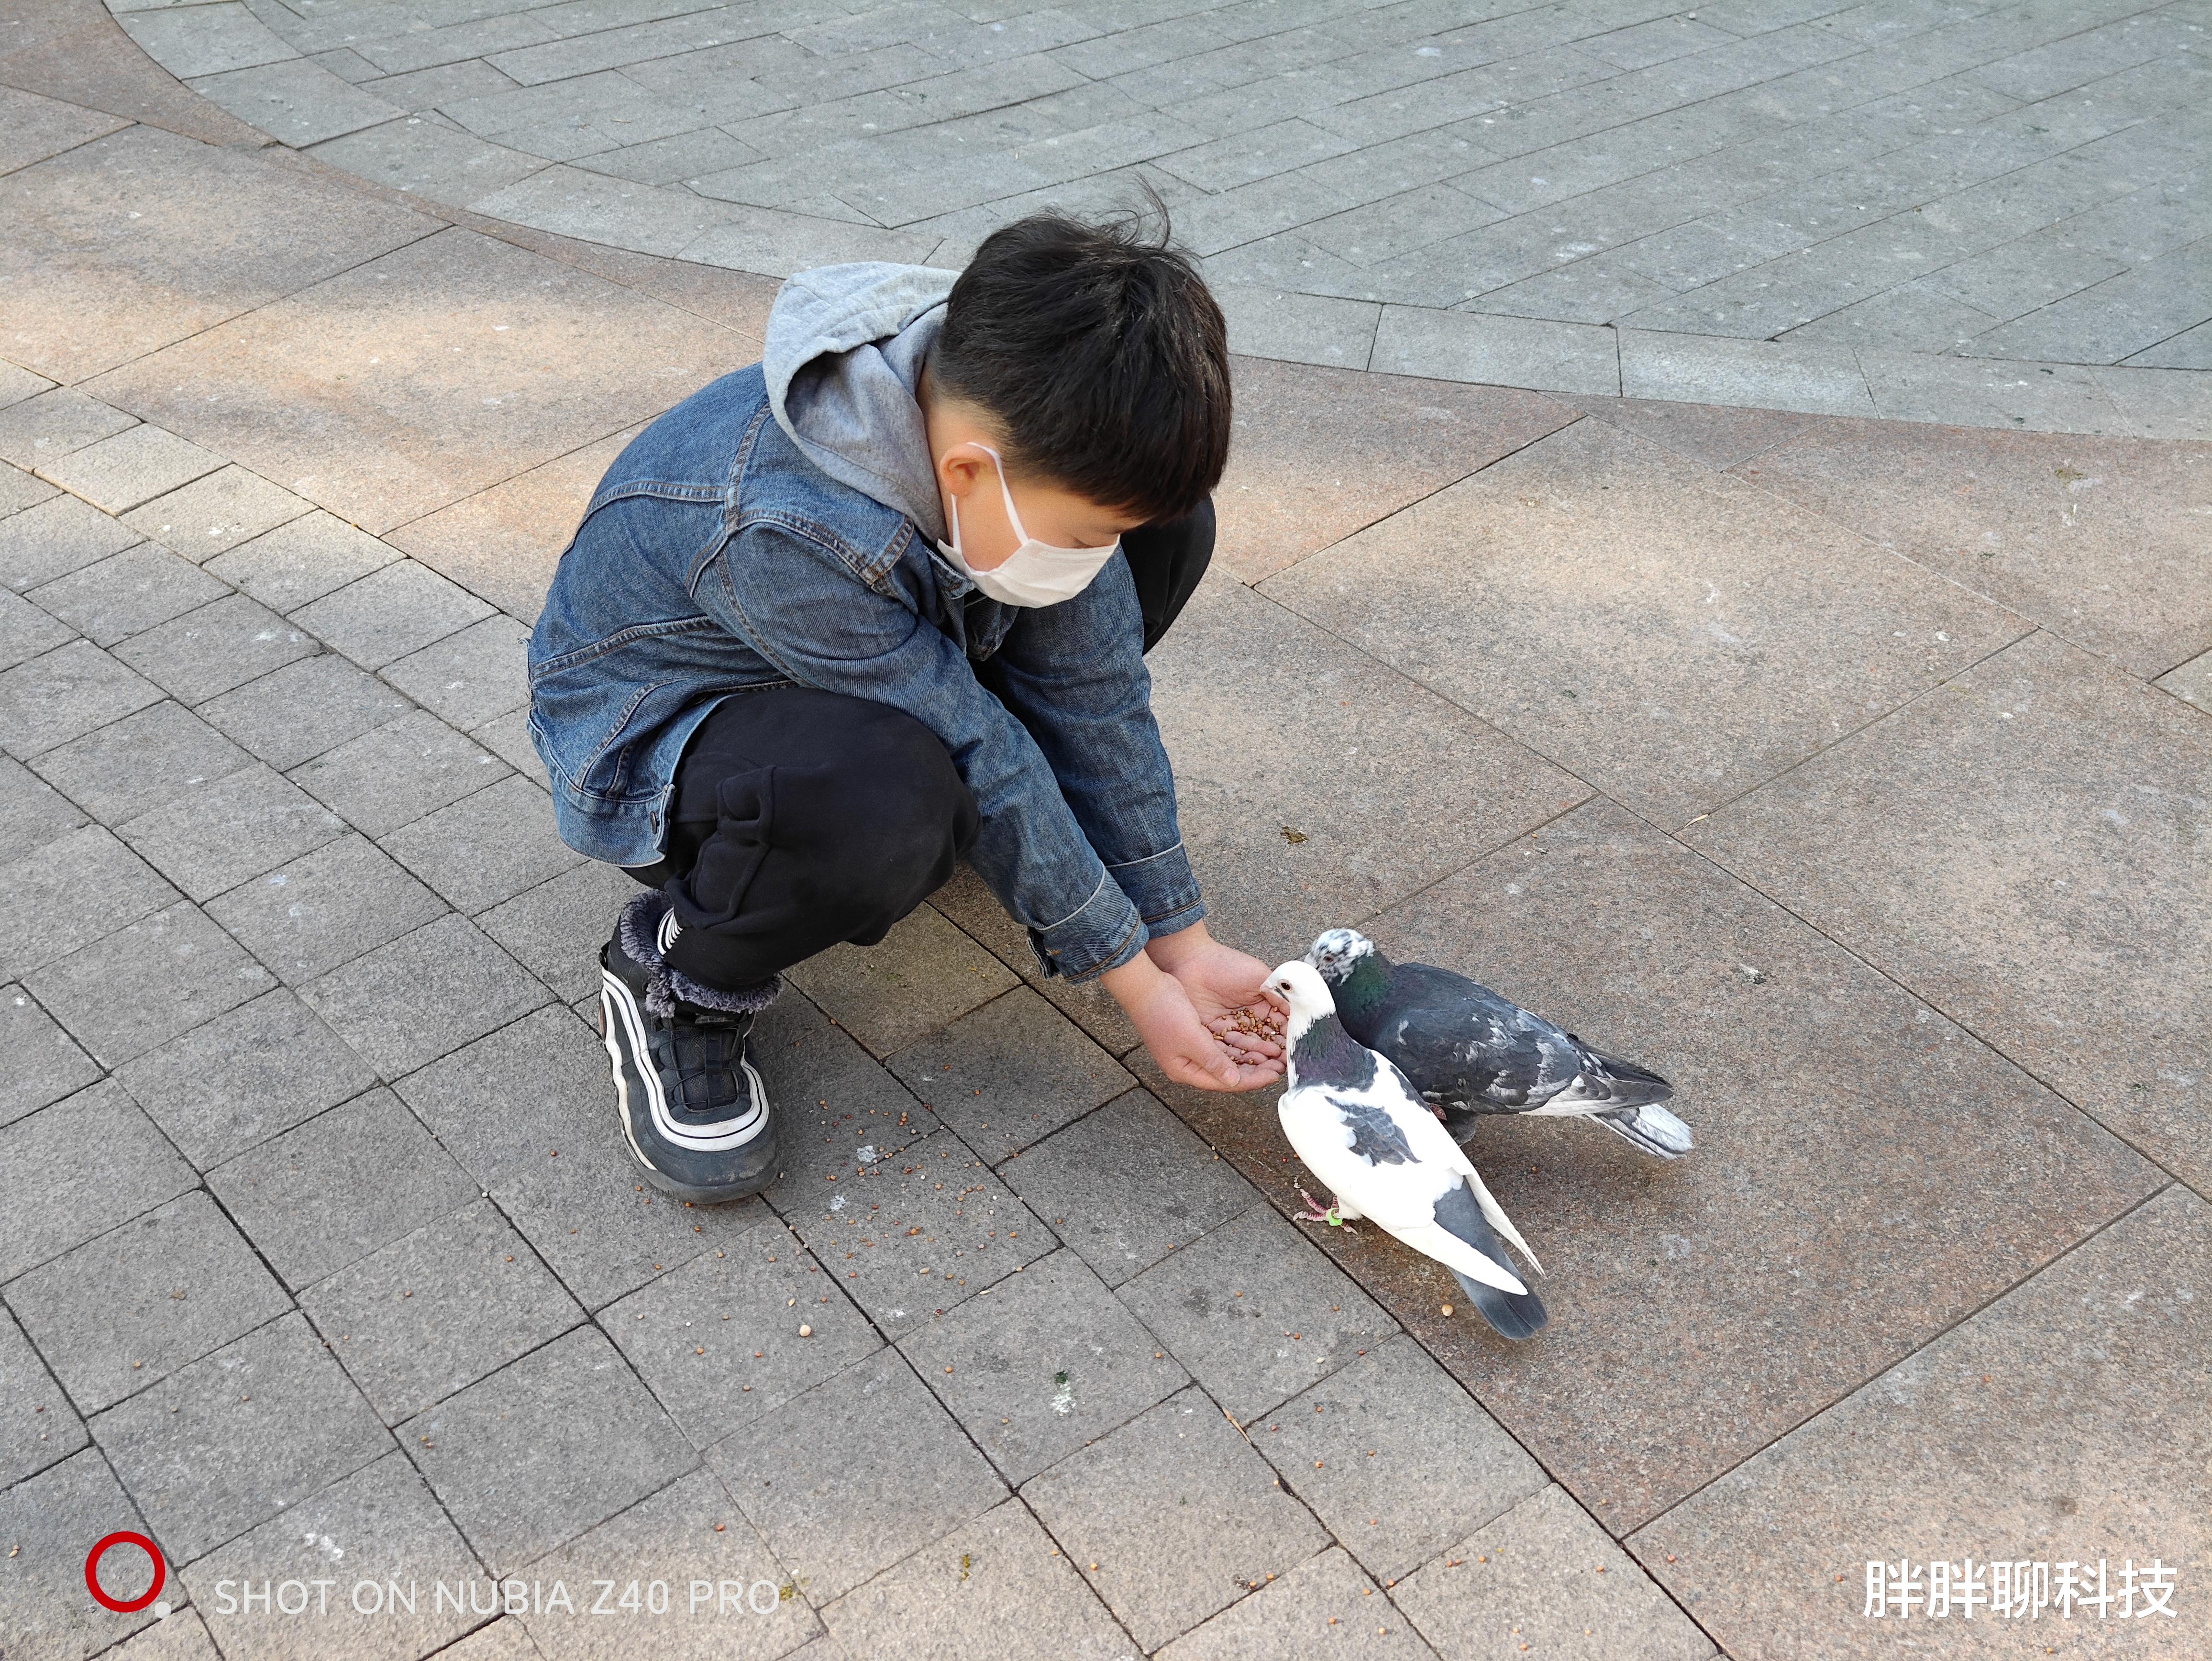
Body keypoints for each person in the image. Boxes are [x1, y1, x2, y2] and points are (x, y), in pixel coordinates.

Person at [527, 209, 1283, 1203]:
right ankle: (674, 976)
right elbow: (978, 746)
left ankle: (983, 836)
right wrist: (1134, 985)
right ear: (968, 471)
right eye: (1081, 530)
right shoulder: (788, 528)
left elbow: (1093, 694)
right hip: (668, 743)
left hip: (866, 666)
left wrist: (1178, 936)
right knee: (893, 794)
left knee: (1161, 530)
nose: (1092, 555)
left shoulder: (1013, 419)